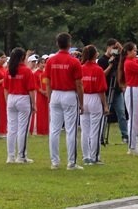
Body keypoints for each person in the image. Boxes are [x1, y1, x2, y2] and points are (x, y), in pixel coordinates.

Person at [44, 32, 84, 170]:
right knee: (70, 129)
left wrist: (50, 97)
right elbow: (79, 84)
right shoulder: (74, 61)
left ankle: (55, 162)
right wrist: (81, 102)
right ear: (69, 44)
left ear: (57, 44)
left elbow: (47, 82)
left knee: (54, 129)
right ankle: (71, 162)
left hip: (55, 94)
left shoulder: (50, 60)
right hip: (69, 95)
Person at [4, 47, 37, 164]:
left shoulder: (9, 71)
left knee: (11, 129)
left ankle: (10, 156)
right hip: (23, 98)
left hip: (11, 98)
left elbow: (6, 88)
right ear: (23, 57)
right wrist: (34, 104)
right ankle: (21, 156)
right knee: (23, 129)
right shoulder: (27, 71)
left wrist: (7, 101)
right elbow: (31, 90)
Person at [80, 45, 108, 165]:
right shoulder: (98, 69)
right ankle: (94, 156)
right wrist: (105, 105)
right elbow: (101, 90)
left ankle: (86, 156)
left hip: (83, 97)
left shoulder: (81, 68)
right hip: (94, 98)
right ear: (93, 55)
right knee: (95, 130)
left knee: (85, 130)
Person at [97, 38, 128, 144]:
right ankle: (101, 135)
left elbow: (126, 56)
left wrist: (120, 47)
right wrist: (110, 65)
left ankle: (125, 136)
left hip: (117, 91)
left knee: (121, 113)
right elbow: (102, 75)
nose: (114, 50)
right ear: (108, 47)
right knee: (105, 113)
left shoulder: (118, 58)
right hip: (106, 91)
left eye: (116, 48)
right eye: (113, 48)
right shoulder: (102, 60)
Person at [31, 56, 49, 135]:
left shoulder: (45, 73)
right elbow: (35, 85)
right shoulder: (35, 73)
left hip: (46, 95)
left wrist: (47, 92)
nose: (43, 65)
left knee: (45, 112)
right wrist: (42, 91)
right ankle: (37, 130)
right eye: (41, 63)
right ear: (38, 64)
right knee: (39, 112)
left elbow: (47, 83)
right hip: (38, 95)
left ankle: (45, 129)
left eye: (44, 63)